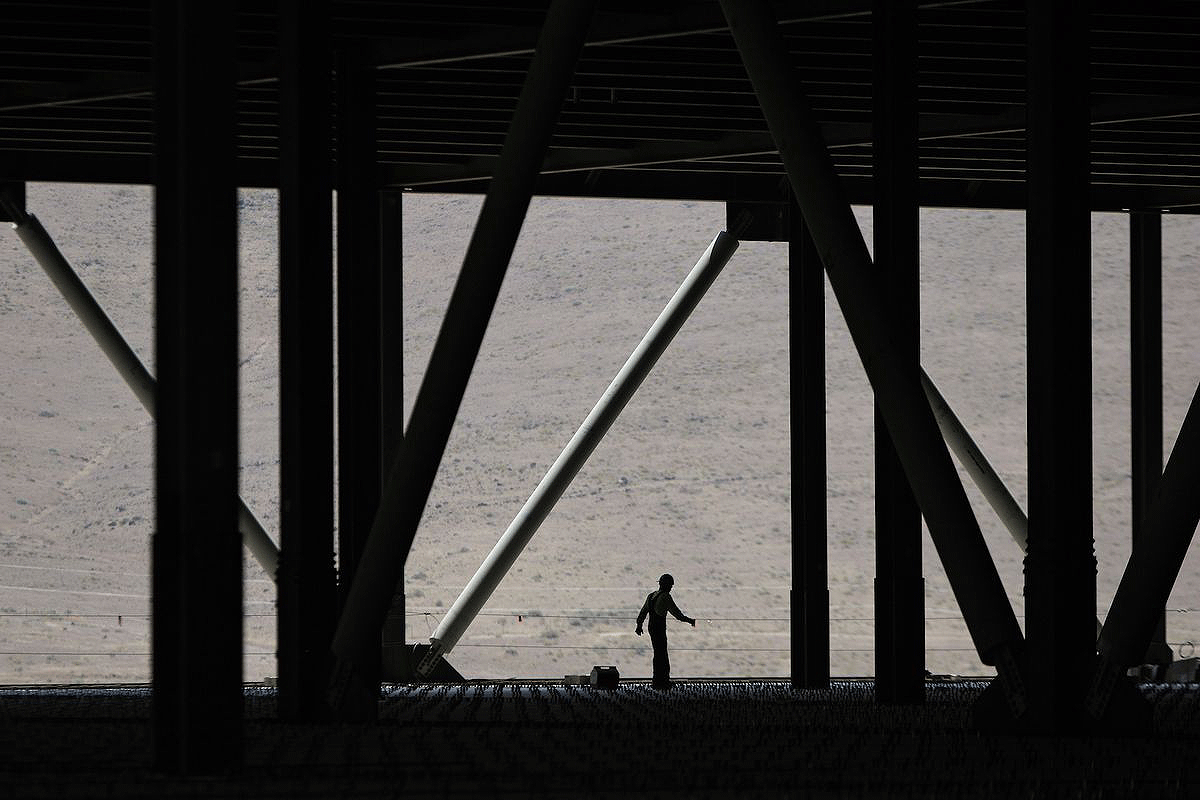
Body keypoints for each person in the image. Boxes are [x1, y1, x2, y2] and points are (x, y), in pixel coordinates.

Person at [635, 573, 695, 689]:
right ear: (667, 585)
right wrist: (690, 621)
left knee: (657, 654)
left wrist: (639, 625)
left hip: (651, 627)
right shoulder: (665, 597)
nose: (671, 588)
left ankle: (657, 680)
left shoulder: (651, 596)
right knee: (662, 655)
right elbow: (677, 614)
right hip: (659, 629)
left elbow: (643, 612)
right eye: (671, 586)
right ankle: (662, 682)